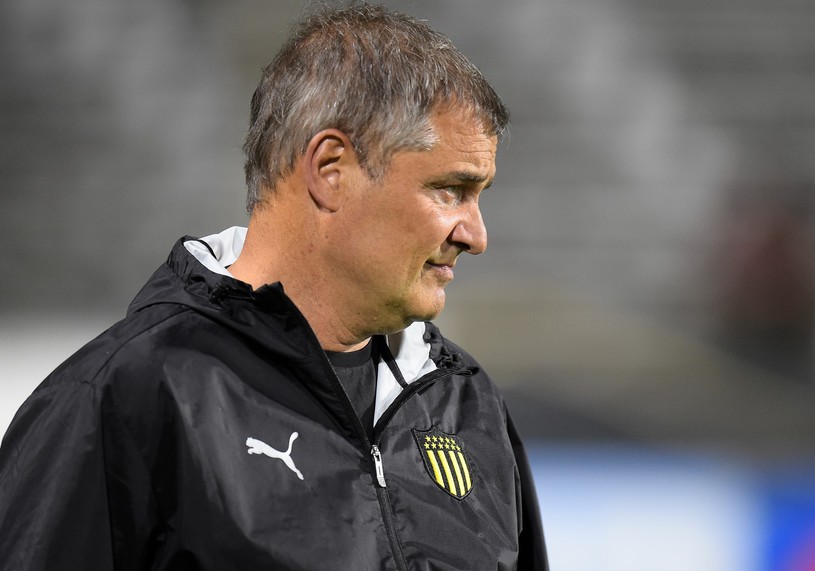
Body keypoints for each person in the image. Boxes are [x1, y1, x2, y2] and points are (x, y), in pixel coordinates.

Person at [0, 4, 548, 570]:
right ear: (331, 170)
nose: (476, 236)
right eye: (451, 190)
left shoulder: (467, 404)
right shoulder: (123, 397)